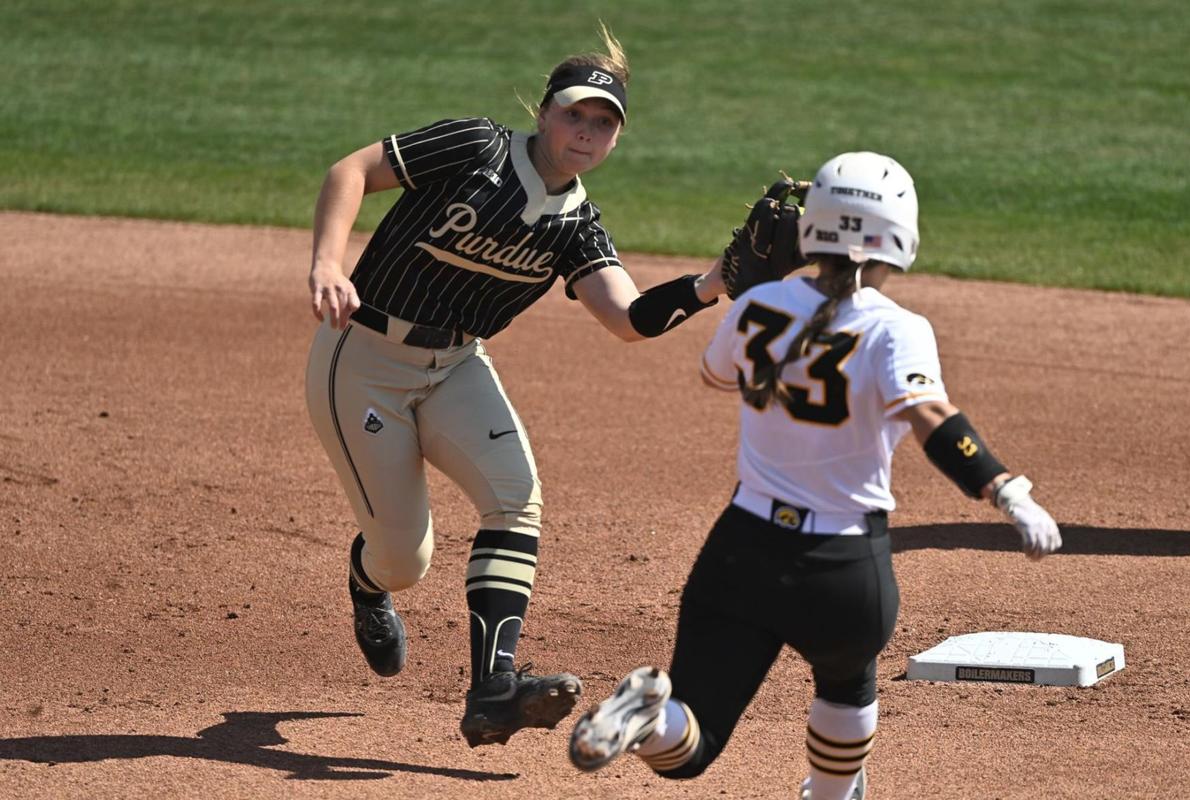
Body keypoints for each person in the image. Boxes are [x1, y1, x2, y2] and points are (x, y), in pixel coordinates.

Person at [568, 151, 1062, 799]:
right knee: (848, 678)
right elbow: (932, 417)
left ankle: (649, 720)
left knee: (691, 745)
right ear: (899, 236)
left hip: (740, 553)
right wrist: (1006, 490)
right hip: (842, 567)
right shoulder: (897, 329)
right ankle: (830, 793)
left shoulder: (758, 308)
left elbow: (716, 374)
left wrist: (760, 297)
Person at [303, 27, 727, 749]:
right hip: (363, 359)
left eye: (603, 123)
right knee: (406, 561)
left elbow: (627, 319)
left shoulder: (578, 228)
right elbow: (351, 171)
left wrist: (711, 283)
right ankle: (367, 580)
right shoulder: (476, 148)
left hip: (457, 366)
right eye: (574, 114)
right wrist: (326, 263)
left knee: (515, 497)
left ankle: (492, 693)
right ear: (544, 112)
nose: (586, 132)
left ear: (616, 140)